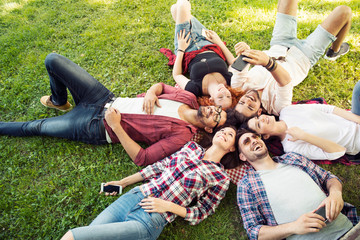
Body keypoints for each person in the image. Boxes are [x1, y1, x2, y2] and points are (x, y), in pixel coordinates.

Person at [0, 53, 229, 166]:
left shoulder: (182, 136)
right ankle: (59, 101)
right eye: (217, 110)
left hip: (97, 126)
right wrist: (151, 93)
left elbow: (144, 158)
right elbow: (160, 86)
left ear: (210, 130)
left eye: (217, 119)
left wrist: (116, 126)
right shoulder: (188, 97)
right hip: (102, 97)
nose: (214, 113)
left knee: (36, 127)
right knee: (52, 60)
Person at [60, 126, 239, 240]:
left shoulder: (221, 179)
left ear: (232, 148)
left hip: (152, 217)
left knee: (74, 236)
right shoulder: (191, 147)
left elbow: (201, 212)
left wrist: (167, 206)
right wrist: (123, 182)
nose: (223, 133)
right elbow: (160, 166)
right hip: (134, 196)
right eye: (222, 130)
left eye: (229, 134)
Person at [231, 0, 352, 117]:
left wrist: (244, 51)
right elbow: (285, 82)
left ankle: (283, 14)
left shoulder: (238, 88)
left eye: (242, 102)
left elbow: (240, 66)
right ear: (259, 112)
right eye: (250, 106)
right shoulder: (277, 107)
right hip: (305, 56)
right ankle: (334, 52)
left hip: (280, 44)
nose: (247, 100)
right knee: (344, 12)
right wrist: (268, 62)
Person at [236, 129, 359, 240]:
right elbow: (254, 232)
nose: (254, 141)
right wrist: (294, 227)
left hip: (349, 231)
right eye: (246, 142)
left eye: (255, 137)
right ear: (242, 156)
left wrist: (335, 195)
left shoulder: (293, 158)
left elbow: (329, 178)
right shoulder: (246, 185)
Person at [244, 80, 360, 161]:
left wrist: (357, 119)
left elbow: (327, 109)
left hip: (354, 117)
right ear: (266, 136)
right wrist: (304, 136)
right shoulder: (291, 147)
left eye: (258, 117)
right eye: (259, 124)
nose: (262, 118)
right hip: (355, 140)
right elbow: (338, 152)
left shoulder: (287, 111)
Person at [167, 0, 244, 110]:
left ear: (211, 100)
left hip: (187, 47)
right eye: (228, 95)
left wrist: (180, 49)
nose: (224, 91)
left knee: (181, 6)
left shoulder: (195, 89)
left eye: (221, 97)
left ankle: (183, 10)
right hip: (207, 41)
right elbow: (236, 63)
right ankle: (182, 13)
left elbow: (177, 75)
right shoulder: (229, 80)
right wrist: (219, 42)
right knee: (177, 9)